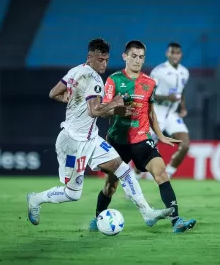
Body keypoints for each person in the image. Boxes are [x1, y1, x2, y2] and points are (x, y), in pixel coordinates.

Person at [26, 38, 173, 227]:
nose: (104, 64)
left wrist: (73, 102)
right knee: (73, 194)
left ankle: (147, 213)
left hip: (91, 138)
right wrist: (115, 104)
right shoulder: (94, 79)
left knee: (124, 170)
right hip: (72, 142)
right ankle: (35, 199)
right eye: (100, 59)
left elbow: (54, 93)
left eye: (106, 59)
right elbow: (94, 111)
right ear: (90, 57)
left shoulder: (75, 70)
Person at [88, 40, 196, 233]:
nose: (137, 61)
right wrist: (119, 110)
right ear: (125, 56)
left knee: (161, 173)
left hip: (142, 139)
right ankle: (98, 218)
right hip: (118, 142)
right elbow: (103, 111)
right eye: (134, 56)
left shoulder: (149, 83)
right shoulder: (114, 80)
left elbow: (151, 113)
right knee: (110, 187)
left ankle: (176, 220)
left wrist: (161, 136)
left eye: (141, 57)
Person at [149, 42, 190, 179]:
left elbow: (181, 91)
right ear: (167, 54)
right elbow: (149, 94)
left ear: (181, 54)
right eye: (173, 52)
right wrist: (167, 97)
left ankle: (169, 173)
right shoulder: (158, 71)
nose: (175, 55)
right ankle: (134, 178)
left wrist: (183, 107)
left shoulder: (185, 72)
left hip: (172, 114)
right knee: (146, 150)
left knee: (185, 145)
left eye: (178, 53)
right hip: (157, 113)